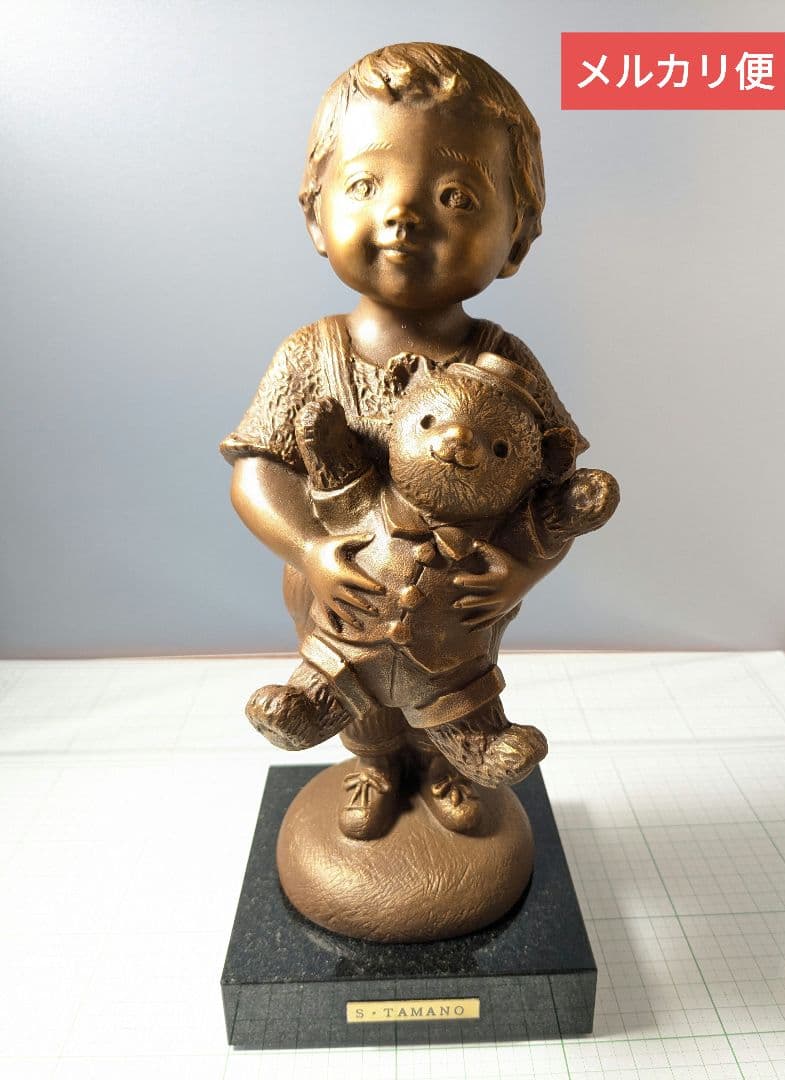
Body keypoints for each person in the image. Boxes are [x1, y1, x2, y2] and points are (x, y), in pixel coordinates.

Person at [221, 43, 589, 839]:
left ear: (517, 236)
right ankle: (377, 764)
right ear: (314, 212)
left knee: (455, 685)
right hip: (340, 588)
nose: (404, 214)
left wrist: (523, 568)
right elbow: (256, 472)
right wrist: (309, 549)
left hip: (460, 599)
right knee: (353, 688)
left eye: (456, 195)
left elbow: (559, 496)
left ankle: (449, 765)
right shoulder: (309, 356)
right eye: (365, 184)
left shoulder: (506, 366)